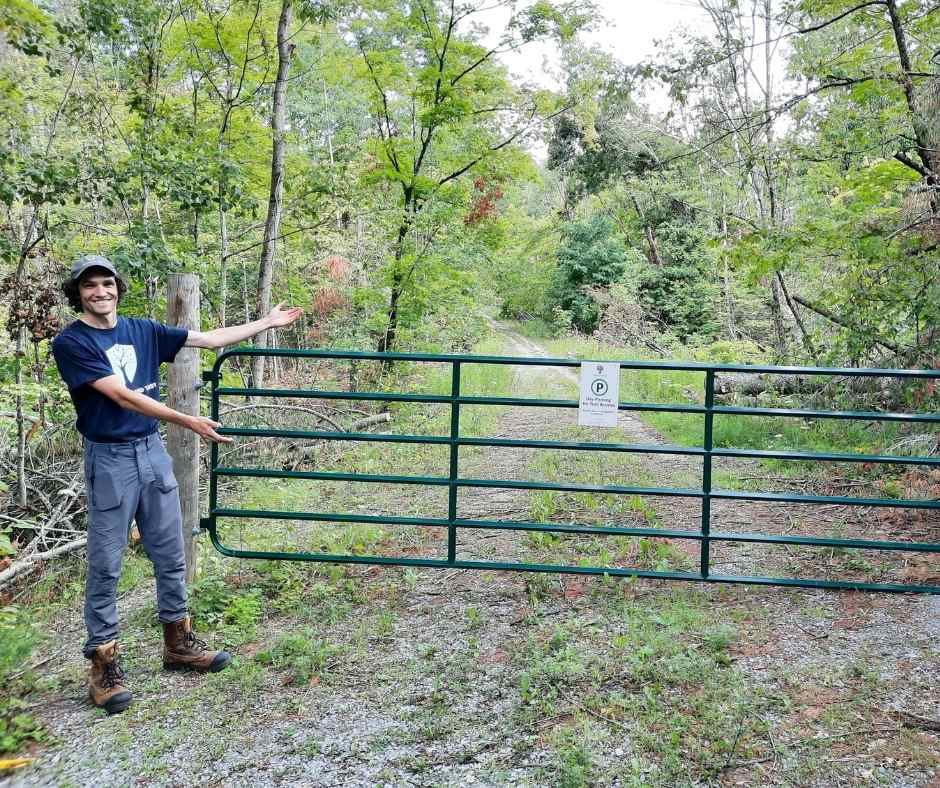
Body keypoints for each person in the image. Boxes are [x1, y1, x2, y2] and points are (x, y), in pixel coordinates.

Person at [52, 254, 302, 715]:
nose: (100, 292)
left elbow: (208, 339)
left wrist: (266, 322)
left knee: (171, 550)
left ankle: (179, 643)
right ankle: (103, 664)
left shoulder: (143, 329)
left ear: (118, 289)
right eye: (90, 286)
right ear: (79, 293)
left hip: (151, 452)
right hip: (110, 460)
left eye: (107, 283)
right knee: (106, 563)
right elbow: (122, 396)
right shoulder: (71, 342)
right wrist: (186, 419)